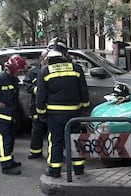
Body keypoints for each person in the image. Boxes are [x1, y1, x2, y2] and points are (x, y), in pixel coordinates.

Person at [37, 38, 90, 178]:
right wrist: (85, 108)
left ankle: (54, 170)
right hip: (74, 114)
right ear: (65, 53)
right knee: (75, 139)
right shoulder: (76, 69)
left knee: (56, 141)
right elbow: (84, 92)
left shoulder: (45, 71)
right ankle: (79, 169)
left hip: (54, 115)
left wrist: (41, 113)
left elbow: (40, 96)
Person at [26, 50, 48, 159]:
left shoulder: (52, 70)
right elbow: (26, 85)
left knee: (53, 131)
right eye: (45, 58)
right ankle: (35, 151)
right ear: (41, 58)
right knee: (37, 130)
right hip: (36, 105)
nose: (46, 60)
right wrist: (37, 90)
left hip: (50, 106)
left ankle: (55, 153)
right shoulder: (34, 71)